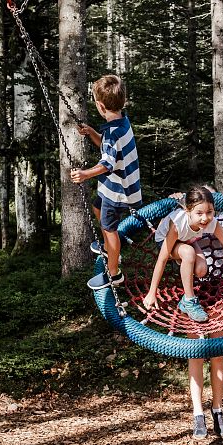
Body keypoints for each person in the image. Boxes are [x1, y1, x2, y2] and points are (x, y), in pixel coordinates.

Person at [143, 186, 223, 439]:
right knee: (196, 352)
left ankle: (217, 409)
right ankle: (198, 413)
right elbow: (162, 258)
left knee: (218, 351)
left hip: (217, 289)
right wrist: (152, 292)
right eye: (200, 212)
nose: (205, 217)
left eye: (209, 211)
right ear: (189, 209)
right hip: (186, 271)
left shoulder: (216, 221)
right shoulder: (180, 222)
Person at [70, 74, 142, 290]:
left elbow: (107, 163)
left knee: (109, 229)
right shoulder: (122, 122)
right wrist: (92, 132)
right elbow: (110, 149)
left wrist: (85, 174)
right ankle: (110, 247)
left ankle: (114, 273)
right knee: (97, 207)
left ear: (100, 106)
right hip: (115, 187)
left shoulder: (112, 133)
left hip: (119, 192)